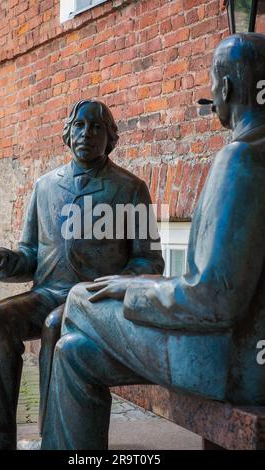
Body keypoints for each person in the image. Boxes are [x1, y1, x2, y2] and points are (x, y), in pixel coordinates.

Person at [41, 33, 265, 450]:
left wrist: (133, 287)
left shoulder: (241, 158)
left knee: (78, 300)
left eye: (212, 85)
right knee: (73, 351)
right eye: (79, 126)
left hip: (231, 361)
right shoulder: (45, 186)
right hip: (243, 349)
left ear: (228, 88)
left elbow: (213, 298)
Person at [0, 99, 164, 450]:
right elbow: (30, 256)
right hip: (48, 291)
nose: (86, 134)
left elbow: (149, 261)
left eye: (96, 127)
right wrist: (3, 260)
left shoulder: (130, 189)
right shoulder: (45, 187)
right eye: (79, 126)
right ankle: (1, 436)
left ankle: (53, 438)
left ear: (110, 138)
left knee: (54, 325)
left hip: (93, 302)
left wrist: (110, 287)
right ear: (67, 134)